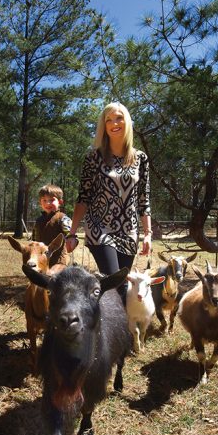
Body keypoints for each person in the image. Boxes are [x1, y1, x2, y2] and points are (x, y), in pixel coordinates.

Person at [66, 102, 152, 295]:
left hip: (129, 231)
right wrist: (72, 233)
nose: (115, 123)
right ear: (103, 126)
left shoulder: (141, 158)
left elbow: (144, 199)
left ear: (127, 121)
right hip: (100, 228)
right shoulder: (93, 158)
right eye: (109, 120)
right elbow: (83, 197)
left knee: (121, 288)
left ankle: (108, 322)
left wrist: (147, 234)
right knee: (115, 284)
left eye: (119, 118)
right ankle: (106, 324)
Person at [32, 184, 72, 267]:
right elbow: (34, 239)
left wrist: (71, 241)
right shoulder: (39, 220)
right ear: (40, 202)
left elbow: (71, 235)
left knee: (53, 278)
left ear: (60, 202)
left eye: (51, 200)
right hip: (41, 260)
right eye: (44, 200)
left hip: (58, 261)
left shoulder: (62, 218)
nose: (48, 203)